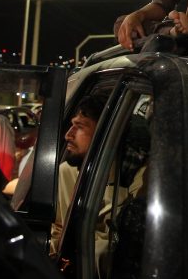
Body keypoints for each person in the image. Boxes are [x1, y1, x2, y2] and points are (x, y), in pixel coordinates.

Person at [50, 94, 147, 275]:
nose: (68, 135)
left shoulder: (137, 175)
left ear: (105, 134)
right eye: (72, 125)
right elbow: (59, 228)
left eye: (79, 127)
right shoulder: (68, 171)